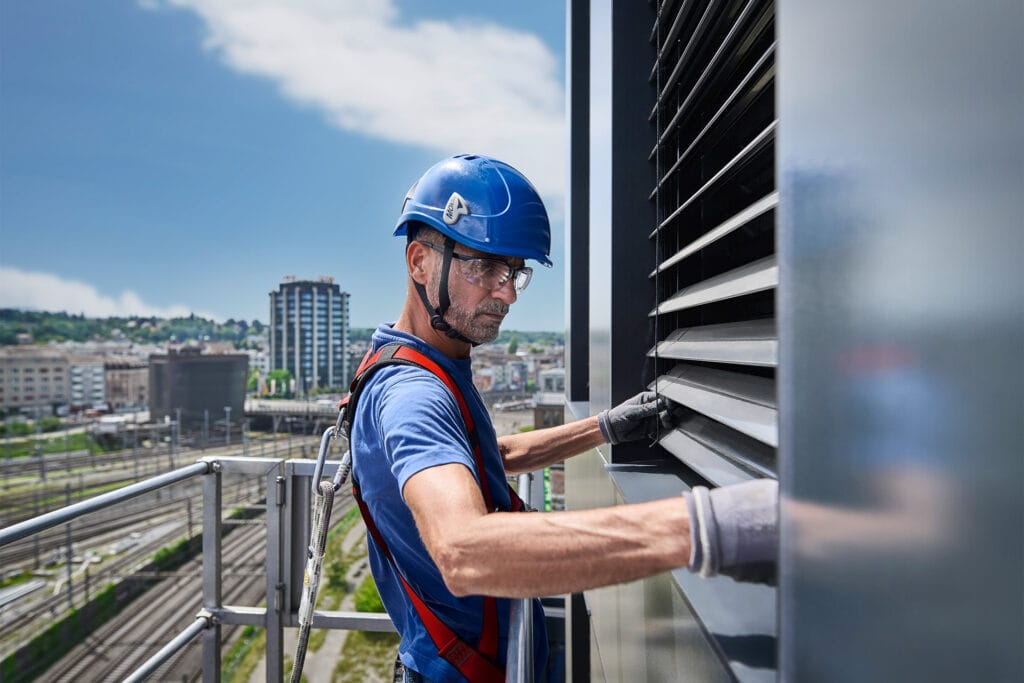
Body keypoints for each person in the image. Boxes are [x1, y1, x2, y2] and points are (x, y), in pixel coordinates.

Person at [349, 154, 778, 683]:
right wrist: (715, 529)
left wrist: (602, 428)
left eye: (514, 272)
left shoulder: (429, 362)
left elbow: (482, 460)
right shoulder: (413, 393)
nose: (504, 293)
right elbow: (463, 550)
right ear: (419, 262)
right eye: (483, 266)